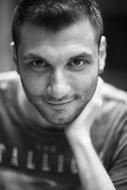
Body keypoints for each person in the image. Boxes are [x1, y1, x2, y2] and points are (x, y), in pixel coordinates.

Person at [0, 0, 127, 189]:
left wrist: (80, 139)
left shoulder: (122, 122)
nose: (58, 90)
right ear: (15, 59)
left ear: (101, 54)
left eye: (77, 62)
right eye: (38, 63)